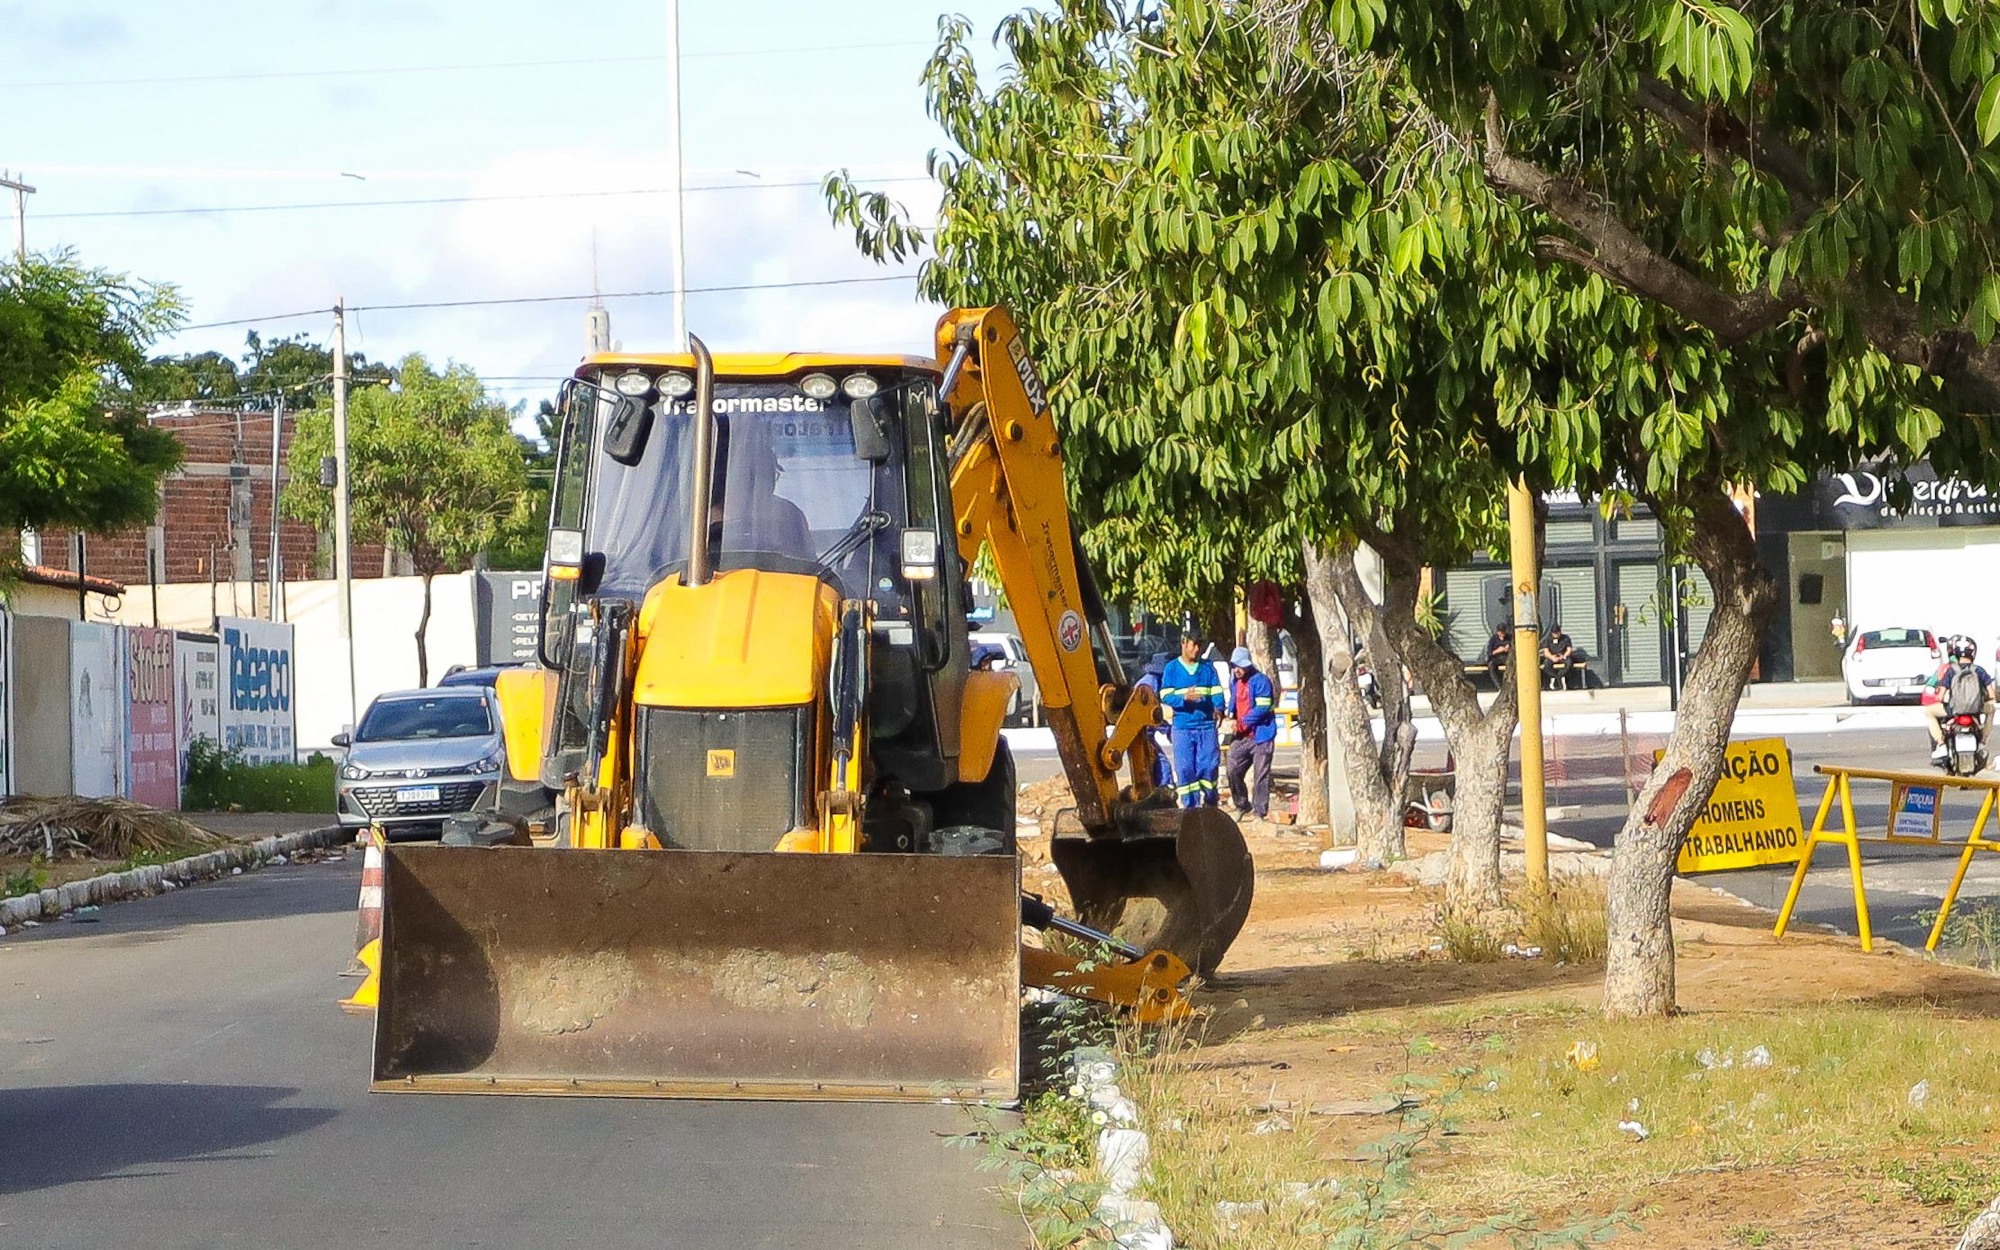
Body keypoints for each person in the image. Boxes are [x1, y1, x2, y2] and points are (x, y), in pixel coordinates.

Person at [1159, 632, 1224, 808]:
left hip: (1206, 727)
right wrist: (1183, 699)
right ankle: (1190, 808)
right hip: (1183, 727)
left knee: (1209, 766)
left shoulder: (1207, 668)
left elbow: (1216, 691)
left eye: (1199, 646)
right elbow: (1164, 695)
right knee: (1185, 769)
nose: (1197, 649)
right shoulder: (1171, 669)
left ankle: (1211, 801)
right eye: (1193, 645)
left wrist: (1219, 708)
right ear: (1183, 644)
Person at [1224, 646, 1278, 821]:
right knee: (1232, 769)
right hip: (1241, 737)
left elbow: (1262, 707)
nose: (1237, 670)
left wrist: (1242, 723)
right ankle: (1241, 804)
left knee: (1261, 775)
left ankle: (1259, 812)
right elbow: (1233, 701)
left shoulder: (1261, 681)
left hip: (1261, 736)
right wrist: (1229, 716)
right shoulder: (1234, 681)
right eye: (1234, 666)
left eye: (1240, 666)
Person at [1925, 635, 1998, 764]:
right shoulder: (1979, 670)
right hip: (1977, 709)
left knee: (1929, 712)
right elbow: (1992, 695)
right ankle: (1983, 742)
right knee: (1991, 710)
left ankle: (1941, 744)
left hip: (1954, 710)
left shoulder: (1951, 671)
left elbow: (1941, 696)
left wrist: (1942, 698)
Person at [1132, 651, 1175, 790]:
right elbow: (1150, 714)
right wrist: (1167, 730)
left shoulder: (1152, 681)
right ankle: (1164, 792)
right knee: (1162, 766)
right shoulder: (1150, 685)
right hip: (1140, 732)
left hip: (1145, 731)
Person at [1540, 623, 1581, 691]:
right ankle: (1557, 678)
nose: (1555, 635)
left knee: (1569, 663)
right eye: (1554, 633)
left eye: (1557, 633)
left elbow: (1569, 649)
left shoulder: (1565, 638)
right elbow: (1546, 652)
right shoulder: (1548, 639)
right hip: (1552, 656)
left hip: (1563, 655)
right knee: (1546, 665)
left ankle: (1559, 676)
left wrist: (1564, 656)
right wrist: (1552, 657)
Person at [1482, 619, 1514, 689]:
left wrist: (1509, 649)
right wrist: (1498, 650)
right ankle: (1498, 686)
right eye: (1501, 633)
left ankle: (1509, 683)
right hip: (1496, 658)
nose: (1502, 635)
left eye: (1503, 632)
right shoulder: (1493, 639)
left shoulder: (1509, 637)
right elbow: (1490, 653)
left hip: (1506, 657)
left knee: (1511, 664)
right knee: (1491, 666)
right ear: (1498, 632)